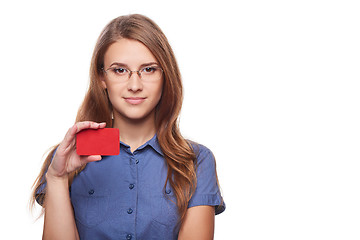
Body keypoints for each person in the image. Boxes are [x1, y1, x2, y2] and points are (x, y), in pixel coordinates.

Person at [31, 14, 225, 240]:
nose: (135, 85)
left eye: (149, 69)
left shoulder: (196, 160)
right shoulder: (66, 158)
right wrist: (57, 178)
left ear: (166, 76)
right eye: (120, 70)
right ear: (102, 77)